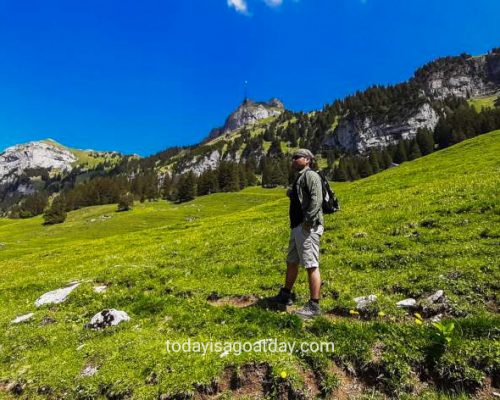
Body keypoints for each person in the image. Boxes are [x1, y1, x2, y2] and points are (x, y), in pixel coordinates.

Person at [269, 149, 324, 318]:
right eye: (292, 157)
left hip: (307, 226)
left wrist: (308, 221)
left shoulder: (311, 175)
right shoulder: (300, 177)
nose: (293, 160)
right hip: (297, 227)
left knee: (310, 264)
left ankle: (314, 306)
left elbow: (317, 199)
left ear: (307, 159)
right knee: (292, 261)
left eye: (296, 157)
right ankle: (286, 295)